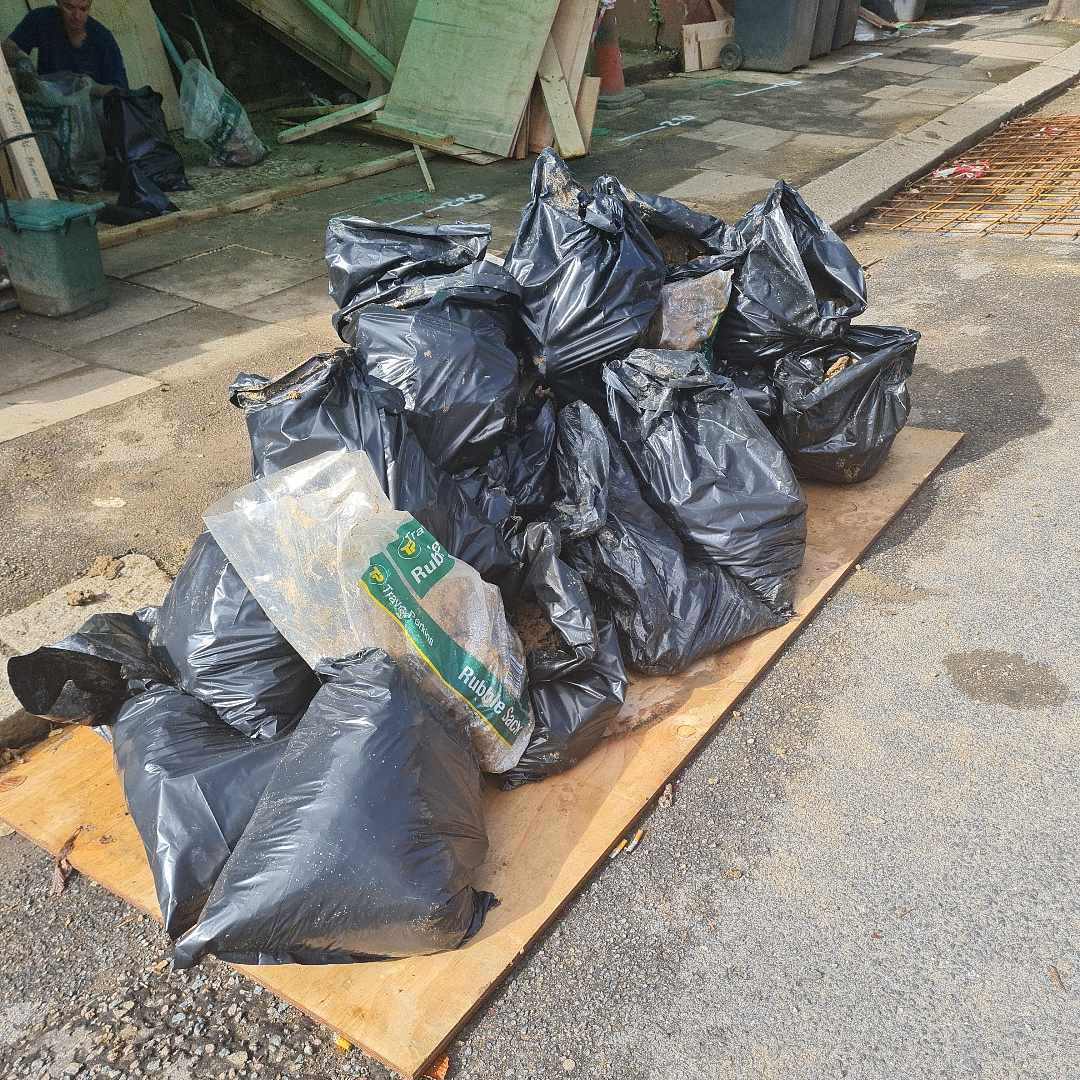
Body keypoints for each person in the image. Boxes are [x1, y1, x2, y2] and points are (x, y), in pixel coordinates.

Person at [2, 0, 128, 95]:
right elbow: (8, 48)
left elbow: (121, 92)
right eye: (69, 7)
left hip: (90, 111)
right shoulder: (42, 19)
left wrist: (90, 88)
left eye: (83, 9)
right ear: (58, 2)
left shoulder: (103, 38)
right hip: (48, 101)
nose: (77, 16)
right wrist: (21, 61)